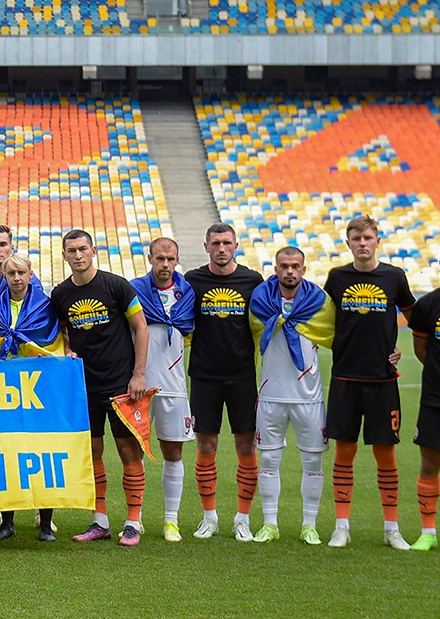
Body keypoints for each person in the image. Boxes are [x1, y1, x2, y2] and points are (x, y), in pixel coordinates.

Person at [50, 231, 149, 548]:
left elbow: (141, 327)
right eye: (72, 250)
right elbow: (62, 333)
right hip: (84, 386)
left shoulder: (117, 285)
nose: (78, 255)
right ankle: (100, 521)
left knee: (128, 451)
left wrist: (138, 375)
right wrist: (67, 350)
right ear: (64, 255)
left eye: (83, 249)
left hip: (120, 384)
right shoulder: (60, 294)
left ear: (93, 251)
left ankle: (133, 522)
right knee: (92, 453)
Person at [323, 215, 414, 550]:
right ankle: (341, 527)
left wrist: (400, 349)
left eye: (368, 237)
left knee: (385, 454)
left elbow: (415, 318)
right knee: (344, 453)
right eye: (356, 238)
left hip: (382, 380)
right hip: (345, 378)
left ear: (378, 241)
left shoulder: (394, 276)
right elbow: (321, 318)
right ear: (348, 243)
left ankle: (392, 529)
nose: (362, 243)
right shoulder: (337, 277)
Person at [247, 246, 335, 546]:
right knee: (269, 459)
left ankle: (309, 525)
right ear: (275, 269)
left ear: (303, 269)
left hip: (308, 397)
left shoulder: (319, 303)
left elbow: (343, 335)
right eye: (284, 266)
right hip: (271, 395)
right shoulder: (259, 301)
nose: (289, 271)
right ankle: (269, 524)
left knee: (313, 462)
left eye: (295, 266)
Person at [184, 222, 263, 541]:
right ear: (206, 246)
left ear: (236, 246)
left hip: (242, 376)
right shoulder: (192, 280)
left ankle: (243, 518)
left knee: (246, 446)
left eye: (227, 243)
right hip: (204, 376)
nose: (221, 248)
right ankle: (209, 517)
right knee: (206, 446)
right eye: (215, 243)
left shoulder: (252, 280)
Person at [0, 252, 62, 541]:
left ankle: (45, 524)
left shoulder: (45, 306)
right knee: (6, 453)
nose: (16, 278)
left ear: (31, 275)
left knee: (43, 453)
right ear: (4, 277)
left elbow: (53, 342)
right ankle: (7, 523)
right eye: (11, 273)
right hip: (5, 389)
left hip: (38, 389)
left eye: (21, 273)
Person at [130, 238, 196, 543]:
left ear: (177, 259)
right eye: (160, 259)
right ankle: (136, 518)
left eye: (170, 259)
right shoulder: (134, 290)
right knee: (135, 452)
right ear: (150, 259)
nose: (165, 264)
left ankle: (171, 521)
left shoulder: (188, 294)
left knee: (173, 452)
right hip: (139, 386)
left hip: (174, 387)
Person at [409, 240, 440, 552]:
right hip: (436, 399)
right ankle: (428, 531)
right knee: (429, 465)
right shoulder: (428, 305)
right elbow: (421, 350)